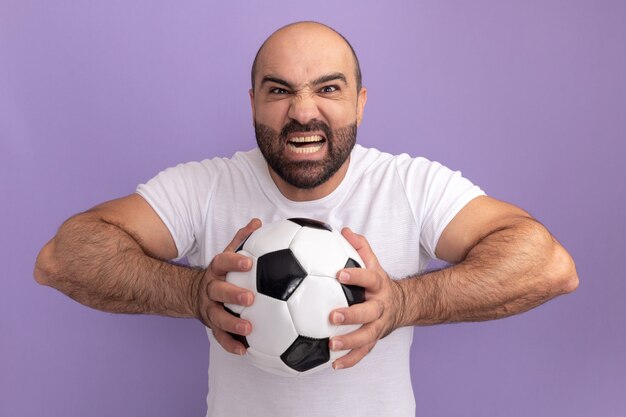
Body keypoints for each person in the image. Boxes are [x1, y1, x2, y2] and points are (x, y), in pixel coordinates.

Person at [34, 21, 578, 417]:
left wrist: (407, 303)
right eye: (280, 90)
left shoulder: (409, 185)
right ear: (253, 103)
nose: (302, 111)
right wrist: (191, 292)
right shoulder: (206, 186)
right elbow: (62, 257)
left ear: (361, 103)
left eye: (328, 88)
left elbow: (549, 266)